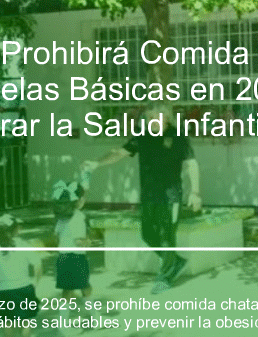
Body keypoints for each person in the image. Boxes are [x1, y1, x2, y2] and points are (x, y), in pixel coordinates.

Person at [83, 106, 201, 294]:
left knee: (166, 237)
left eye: (156, 116)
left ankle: (165, 276)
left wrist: (194, 192)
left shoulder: (178, 137)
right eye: (149, 117)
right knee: (148, 234)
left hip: (171, 196)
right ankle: (176, 261)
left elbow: (191, 163)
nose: (152, 119)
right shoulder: (142, 137)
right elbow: (119, 153)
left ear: (166, 118)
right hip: (149, 195)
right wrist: (97, 163)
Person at [0, 215, 43, 337]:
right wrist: (35, 283)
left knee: (7, 322)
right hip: (23, 288)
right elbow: (38, 264)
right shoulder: (23, 244)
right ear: (16, 229)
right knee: (25, 321)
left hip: (2, 291)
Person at [51, 180, 93, 327]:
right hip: (77, 257)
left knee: (67, 291)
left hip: (63, 257)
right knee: (86, 287)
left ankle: (63, 322)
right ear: (79, 200)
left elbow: (55, 237)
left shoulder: (61, 218)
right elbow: (79, 241)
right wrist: (88, 242)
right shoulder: (79, 217)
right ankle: (95, 317)